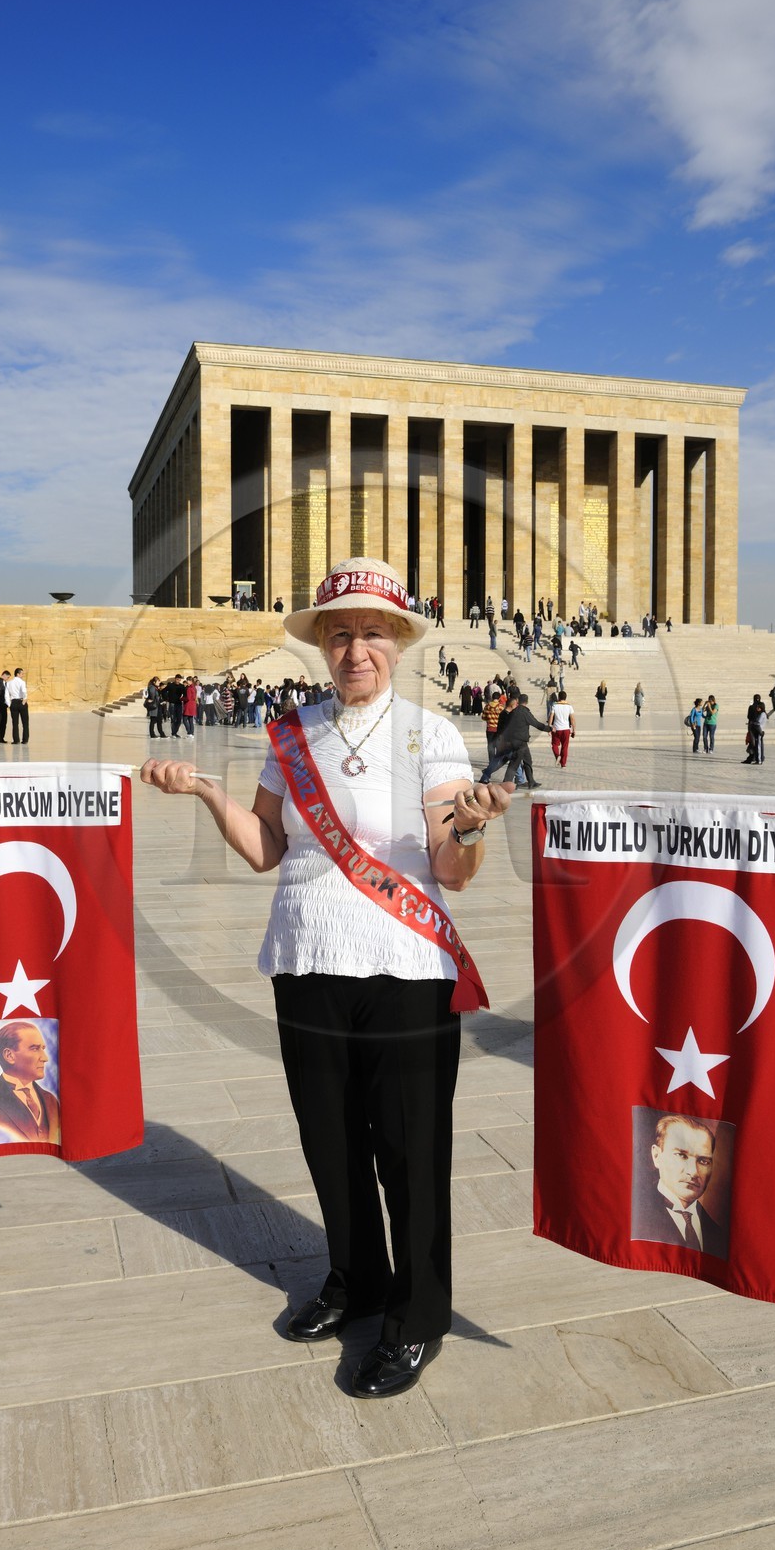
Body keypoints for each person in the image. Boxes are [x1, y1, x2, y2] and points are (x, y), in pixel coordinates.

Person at [141, 557, 513, 1400]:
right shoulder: (293, 733)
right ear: (321, 645)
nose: (355, 650)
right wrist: (205, 789)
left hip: (407, 969)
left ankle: (417, 1317)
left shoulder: (430, 734)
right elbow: (268, 848)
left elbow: (452, 873)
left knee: (411, 1154)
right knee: (331, 1142)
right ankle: (356, 1284)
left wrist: (474, 826)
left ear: (398, 643)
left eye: (372, 633)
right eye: (340, 634)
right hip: (306, 957)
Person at [631, 1114, 728, 1259]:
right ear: (656, 1156)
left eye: (703, 1161)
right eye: (681, 1155)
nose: (693, 1172)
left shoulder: (718, 1234)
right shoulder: (635, 1214)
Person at [0, 1021, 61, 1145]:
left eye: (43, 1049)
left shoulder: (51, 1100)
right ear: (9, 1055)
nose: (45, 1058)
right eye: (35, 1049)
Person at [490, 694, 547, 788]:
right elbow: (536, 724)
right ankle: (506, 783)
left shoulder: (513, 712)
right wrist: (549, 729)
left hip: (517, 741)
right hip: (519, 742)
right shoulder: (524, 712)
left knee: (527, 761)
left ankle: (531, 781)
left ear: (518, 701)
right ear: (527, 702)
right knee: (515, 763)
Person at [549, 688, 576, 768]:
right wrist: (574, 730)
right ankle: (563, 764)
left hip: (556, 729)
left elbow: (551, 717)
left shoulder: (555, 706)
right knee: (565, 746)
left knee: (554, 744)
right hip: (566, 729)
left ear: (559, 697)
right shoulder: (569, 706)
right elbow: (572, 719)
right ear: (565, 697)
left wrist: (549, 727)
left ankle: (558, 757)